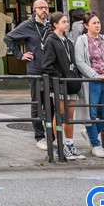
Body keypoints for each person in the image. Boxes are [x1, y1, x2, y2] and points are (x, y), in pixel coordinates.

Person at [4, 0, 52, 149]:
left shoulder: (51, 25)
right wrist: (20, 55)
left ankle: (53, 135)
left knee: (53, 102)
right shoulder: (28, 25)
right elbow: (8, 38)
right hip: (35, 68)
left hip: (52, 68)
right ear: (34, 9)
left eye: (46, 7)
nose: (44, 10)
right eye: (41, 8)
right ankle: (40, 136)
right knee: (37, 102)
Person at [73, 12, 104, 158]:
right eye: (94, 23)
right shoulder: (82, 40)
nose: (97, 25)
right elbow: (79, 61)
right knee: (91, 113)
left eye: (98, 22)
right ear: (86, 26)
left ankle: (89, 133)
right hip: (91, 82)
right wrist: (96, 76)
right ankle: (95, 144)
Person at [42, 12, 85, 160]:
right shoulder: (51, 40)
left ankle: (70, 144)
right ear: (55, 24)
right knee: (60, 114)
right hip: (59, 83)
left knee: (70, 115)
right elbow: (47, 65)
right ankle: (60, 145)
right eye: (64, 22)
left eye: (67, 22)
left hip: (71, 82)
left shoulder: (68, 40)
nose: (67, 24)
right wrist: (59, 78)